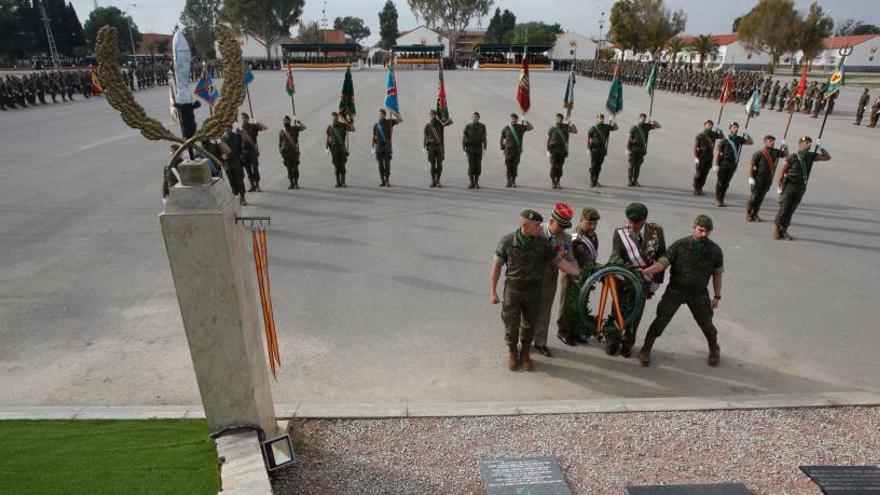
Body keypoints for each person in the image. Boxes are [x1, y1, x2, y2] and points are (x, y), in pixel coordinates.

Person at [490, 210, 581, 371]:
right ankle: (512, 352)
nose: (540, 228)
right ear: (525, 225)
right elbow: (496, 267)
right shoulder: (508, 241)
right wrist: (493, 291)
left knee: (529, 324)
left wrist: (576, 272)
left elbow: (558, 261)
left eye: (540, 225)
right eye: (537, 225)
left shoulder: (542, 242)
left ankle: (525, 353)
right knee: (511, 324)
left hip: (534, 290)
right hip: (513, 290)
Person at [637, 215, 724, 367]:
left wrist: (716, 296)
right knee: (660, 321)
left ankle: (713, 347)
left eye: (707, 231)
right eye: (701, 230)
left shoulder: (715, 250)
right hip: (675, 291)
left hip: (698, 294)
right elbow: (662, 263)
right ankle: (646, 349)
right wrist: (646, 271)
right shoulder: (680, 245)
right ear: (694, 228)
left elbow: (717, 274)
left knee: (707, 325)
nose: (704, 234)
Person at [608, 202, 666, 357]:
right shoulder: (620, 232)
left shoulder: (656, 232)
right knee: (617, 309)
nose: (632, 225)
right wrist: (620, 272)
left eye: (636, 223)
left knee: (637, 311)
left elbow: (661, 256)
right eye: (630, 222)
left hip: (644, 279)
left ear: (644, 220)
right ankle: (613, 340)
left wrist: (657, 281)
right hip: (624, 277)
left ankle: (628, 342)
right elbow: (615, 255)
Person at [532, 203, 576, 357]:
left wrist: (577, 272)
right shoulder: (536, 231)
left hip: (549, 280)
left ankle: (540, 342)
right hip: (531, 279)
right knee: (527, 311)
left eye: (565, 227)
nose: (562, 230)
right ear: (550, 221)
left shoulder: (566, 238)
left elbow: (570, 259)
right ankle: (521, 342)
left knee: (544, 312)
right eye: (560, 226)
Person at [557, 207, 601, 346]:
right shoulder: (574, 238)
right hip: (572, 276)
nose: (592, 226)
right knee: (568, 305)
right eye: (589, 223)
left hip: (585, 276)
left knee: (580, 304)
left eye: (595, 223)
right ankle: (563, 331)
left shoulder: (593, 235)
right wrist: (578, 275)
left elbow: (591, 258)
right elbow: (568, 260)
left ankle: (576, 330)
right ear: (581, 220)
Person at [773, 136, 832, 240]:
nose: (809, 144)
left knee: (791, 209)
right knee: (784, 208)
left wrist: (821, 147)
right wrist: (779, 186)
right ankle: (777, 229)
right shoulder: (793, 156)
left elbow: (827, 157)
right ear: (800, 144)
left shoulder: (810, 155)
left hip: (801, 187)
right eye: (806, 143)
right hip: (789, 185)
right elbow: (782, 172)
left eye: (810, 143)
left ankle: (784, 230)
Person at [746, 135, 788, 222]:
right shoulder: (759, 153)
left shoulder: (775, 151)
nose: (772, 142)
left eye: (773, 141)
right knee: (754, 197)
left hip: (768, 178)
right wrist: (750, 177)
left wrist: (785, 147)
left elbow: (787, 156)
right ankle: (748, 214)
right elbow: (751, 165)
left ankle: (755, 213)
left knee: (761, 197)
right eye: (770, 141)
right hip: (758, 178)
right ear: (765, 142)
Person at [713, 121, 753, 207]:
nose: (736, 129)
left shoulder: (738, 139)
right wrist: (716, 165)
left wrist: (747, 134)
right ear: (730, 128)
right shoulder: (724, 140)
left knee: (726, 183)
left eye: (737, 127)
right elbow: (718, 153)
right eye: (734, 127)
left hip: (732, 164)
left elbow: (750, 142)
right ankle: (718, 200)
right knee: (720, 183)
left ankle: (722, 199)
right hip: (724, 163)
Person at [625, 113, 661, 187]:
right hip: (634, 148)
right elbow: (630, 139)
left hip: (641, 149)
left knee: (638, 166)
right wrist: (628, 148)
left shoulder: (647, 126)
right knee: (631, 165)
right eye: (642, 118)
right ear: (639, 118)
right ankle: (629, 180)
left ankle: (635, 180)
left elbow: (658, 126)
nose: (643, 119)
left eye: (644, 118)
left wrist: (653, 120)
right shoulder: (634, 127)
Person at [500, 113, 533, 188]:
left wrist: (526, 121)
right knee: (508, 165)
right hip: (508, 149)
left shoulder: (520, 127)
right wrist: (502, 148)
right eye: (512, 118)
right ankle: (508, 181)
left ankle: (513, 181)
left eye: (515, 119)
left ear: (517, 119)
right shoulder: (506, 128)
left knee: (515, 166)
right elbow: (502, 138)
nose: (513, 120)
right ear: (510, 119)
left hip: (517, 150)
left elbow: (531, 128)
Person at [546, 114, 578, 189]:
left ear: (562, 119)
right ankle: (553, 181)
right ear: (555, 119)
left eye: (560, 119)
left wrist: (571, 122)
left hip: (562, 150)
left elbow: (575, 131)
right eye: (557, 118)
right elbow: (548, 139)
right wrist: (547, 150)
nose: (559, 120)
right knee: (553, 166)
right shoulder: (552, 128)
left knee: (560, 167)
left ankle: (558, 181)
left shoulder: (566, 127)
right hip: (553, 149)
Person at [692, 119, 724, 196]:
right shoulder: (700, 135)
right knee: (699, 173)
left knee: (705, 173)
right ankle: (696, 188)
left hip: (709, 156)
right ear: (705, 125)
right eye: (709, 124)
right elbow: (695, 147)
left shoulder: (713, 134)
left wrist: (720, 130)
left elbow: (722, 136)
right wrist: (696, 157)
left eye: (711, 125)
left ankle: (700, 188)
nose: (710, 126)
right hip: (702, 156)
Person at [586, 113, 618, 187]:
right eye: (600, 118)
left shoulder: (606, 127)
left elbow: (616, 128)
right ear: (597, 119)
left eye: (602, 118)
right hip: (594, 149)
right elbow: (589, 139)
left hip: (602, 150)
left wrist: (612, 120)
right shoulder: (593, 128)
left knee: (599, 166)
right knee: (593, 165)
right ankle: (591, 180)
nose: (601, 119)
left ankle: (596, 180)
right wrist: (588, 148)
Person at [423, 109, 453, 187]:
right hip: (431, 147)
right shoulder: (428, 125)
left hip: (439, 147)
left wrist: (443, 114)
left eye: (433, 114)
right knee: (432, 165)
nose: (432, 115)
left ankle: (438, 181)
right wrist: (424, 146)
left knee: (439, 165)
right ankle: (433, 181)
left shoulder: (440, 123)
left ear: (435, 115)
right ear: (430, 115)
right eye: (431, 114)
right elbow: (425, 136)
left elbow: (450, 122)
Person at [372, 108, 401, 187]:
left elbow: (400, 120)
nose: (380, 115)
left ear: (384, 115)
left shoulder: (389, 122)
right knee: (380, 165)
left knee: (387, 165)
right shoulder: (376, 125)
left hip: (387, 146)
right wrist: (373, 147)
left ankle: (387, 180)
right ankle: (382, 180)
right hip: (379, 147)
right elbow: (374, 136)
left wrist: (394, 112)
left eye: (381, 114)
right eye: (379, 114)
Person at [326, 111, 355, 187]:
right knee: (336, 166)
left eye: (335, 116)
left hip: (341, 148)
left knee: (342, 166)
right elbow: (327, 138)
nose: (334, 118)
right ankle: (337, 182)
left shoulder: (343, 125)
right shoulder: (329, 127)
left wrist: (350, 121)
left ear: (337, 117)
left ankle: (343, 182)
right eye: (332, 117)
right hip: (334, 149)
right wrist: (326, 148)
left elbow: (352, 129)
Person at [239, 113, 267, 192]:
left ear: (248, 119)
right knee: (248, 170)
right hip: (244, 152)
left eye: (245, 118)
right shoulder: (240, 128)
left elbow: (265, 128)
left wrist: (256, 122)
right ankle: (252, 185)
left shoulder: (252, 126)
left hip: (252, 151)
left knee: (255, 168)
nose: (243, 119)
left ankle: (257, 185)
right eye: (242, 118)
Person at [220, 123, 247, 205]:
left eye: (228, 127)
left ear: (231, 128)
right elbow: (220, 150)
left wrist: (241, 157)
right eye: (225, 127)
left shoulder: (237, 136)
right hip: (227, 163)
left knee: (239, 180)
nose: (227, 129)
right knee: (232, 182)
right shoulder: (222, 139)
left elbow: (242, 146)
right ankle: (236, 197)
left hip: (236, 161)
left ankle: (243, 198)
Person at [279, 115, 307, 190]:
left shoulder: (294, 128)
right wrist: (281, 152)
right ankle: (291, 183)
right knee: (289, 169)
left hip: (294, 152)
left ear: (289, 121)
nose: (285, 121)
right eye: (284, 120)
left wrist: (298, 121)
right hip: (286, 153)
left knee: (295, 168)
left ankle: (296, 183)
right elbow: (280, 143)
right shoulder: (282, 131)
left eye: (287, 120)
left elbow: (304, 127)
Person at [462, 111, 487, 188]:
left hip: (478, 148)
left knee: (478, 166)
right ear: (471, 118)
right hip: (470, 149)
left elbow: (484, 138)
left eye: (476, 117)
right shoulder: (468, 126)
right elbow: (464, 138)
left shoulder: (482, 126)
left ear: (479, 118)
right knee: (471, 165)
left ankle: (476, 182)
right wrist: (463, 149)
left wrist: (485, 147)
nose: (475, 118)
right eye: (473, 117)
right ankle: (471, 182)